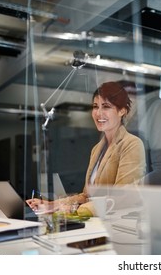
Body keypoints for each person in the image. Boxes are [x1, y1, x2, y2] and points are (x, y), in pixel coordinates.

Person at [27, 81, 147, 216]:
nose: (98, 113)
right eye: (95, 107)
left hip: (115, 226)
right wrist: (52, 205)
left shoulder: (131, 144)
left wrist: (75, 211)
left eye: (106, 107)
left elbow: (123, 197)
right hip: (95, 223)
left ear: (122, 111)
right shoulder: (97, 149)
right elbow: (86, 196)